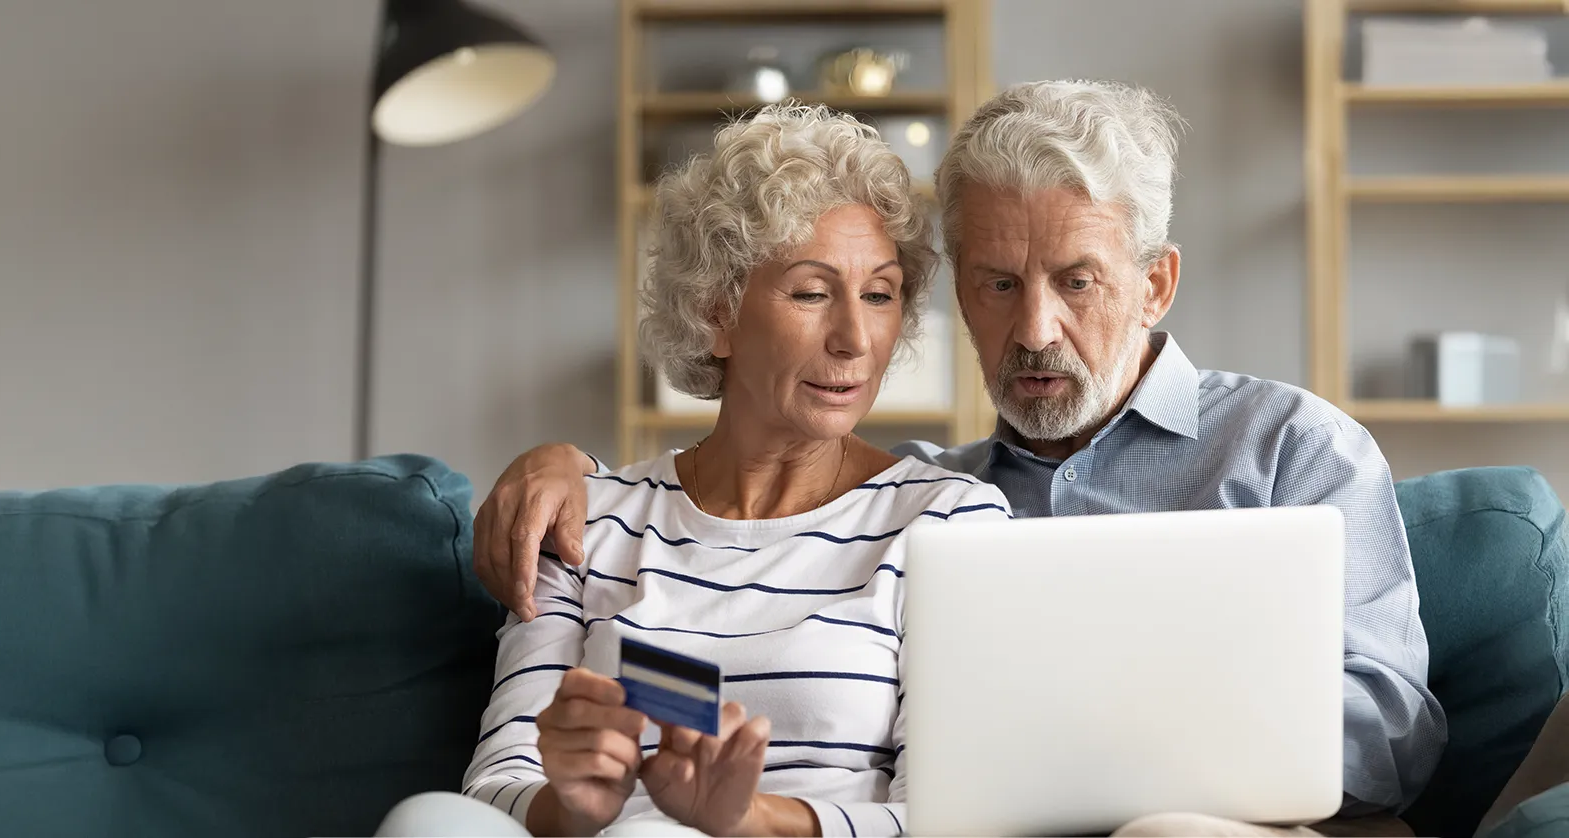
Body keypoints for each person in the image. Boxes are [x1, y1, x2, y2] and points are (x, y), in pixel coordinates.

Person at [471, 80, 1448, 837]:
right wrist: (564, 466)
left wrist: (1109, 745)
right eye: (996, 282)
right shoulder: (938, 492)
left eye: (1075, 281)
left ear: (1154, 284)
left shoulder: (1287, 446)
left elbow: (1393, 732)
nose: (1033, 328)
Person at [409, 104, 1013, 838]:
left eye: (880, 295)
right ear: (715, 313)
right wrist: (570, 804)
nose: (855, 338)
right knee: (428, 821)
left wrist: (748, 819)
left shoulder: (948, 524)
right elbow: (496, 784)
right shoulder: (587, 519)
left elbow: (956, 816)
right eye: (812, 292)